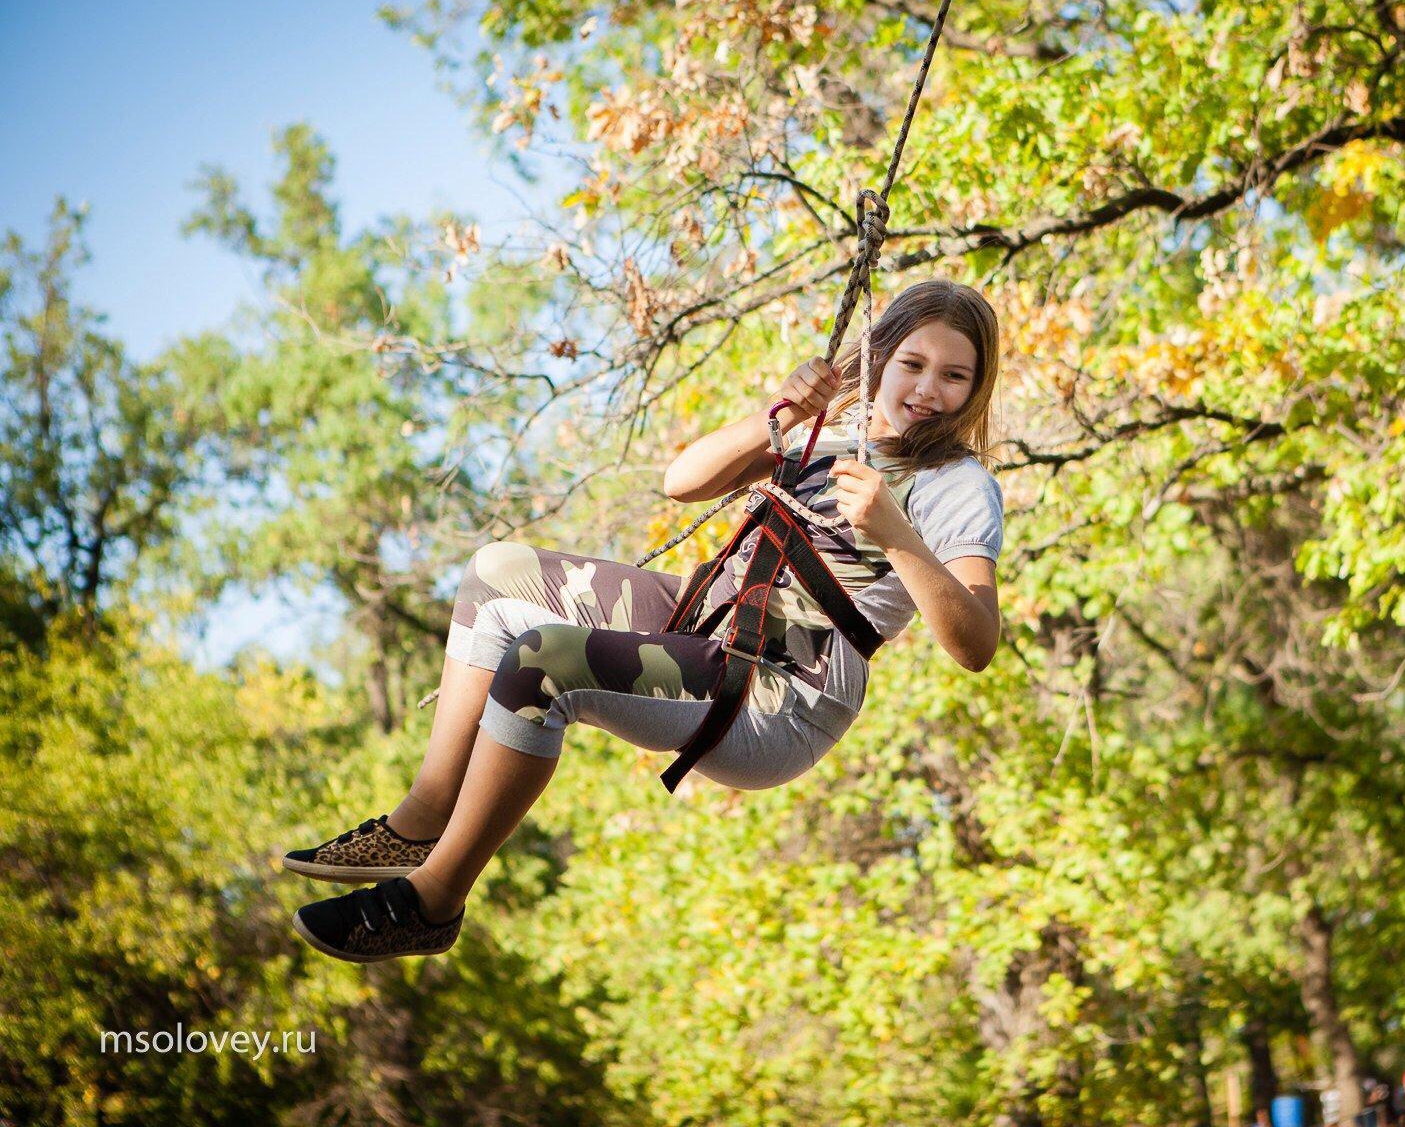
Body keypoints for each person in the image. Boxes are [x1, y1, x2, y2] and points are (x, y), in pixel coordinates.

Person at [280, 279, 1008, 962]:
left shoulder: (957, 486)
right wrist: (778, 415)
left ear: (976, 390)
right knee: (498, 572)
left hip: (777, 696)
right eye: (912, 363)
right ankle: (423, 817)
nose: (927, 389)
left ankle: (434, 898)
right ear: (876, 360)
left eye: (955, 376)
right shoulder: (828, 432)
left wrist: (896, 535)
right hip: (704, 624)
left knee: (545, 661)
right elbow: (682, 482)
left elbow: (976, 643)